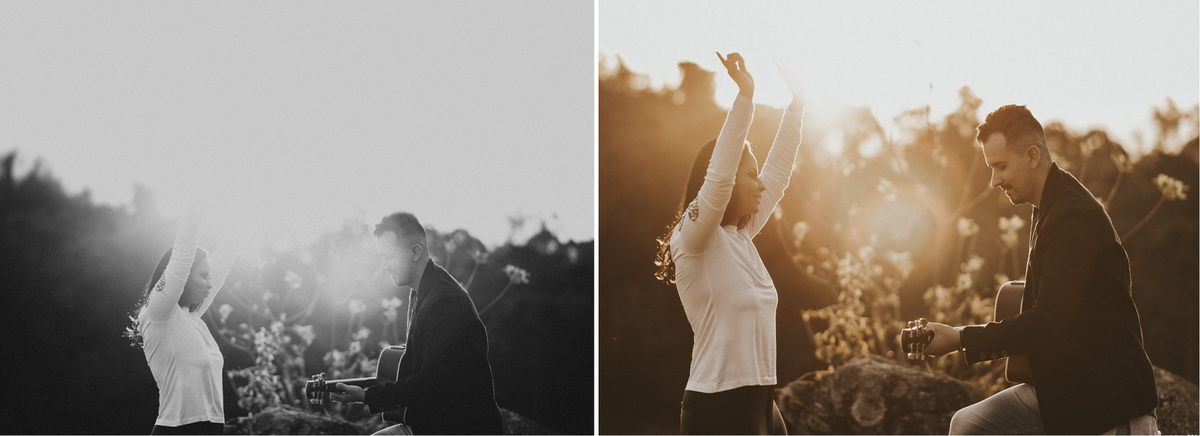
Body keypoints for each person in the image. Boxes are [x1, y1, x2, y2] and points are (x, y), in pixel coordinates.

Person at [922, 105, 1159, 435]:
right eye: (991, 168)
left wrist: (960, 338)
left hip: (1108, 404)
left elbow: (1048, 320)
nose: (994, 180)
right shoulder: (1048, 205)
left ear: (1032, 156)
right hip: (1064, 393)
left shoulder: (1072, 216)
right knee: (968, 425)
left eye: (1001, 166)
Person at [652, 52, 805, 435]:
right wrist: (745, 97)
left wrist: (798, 103)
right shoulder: (694, 238)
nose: (761, 184)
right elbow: (718, 178)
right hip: (718, 408)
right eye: (750, 175)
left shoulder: (740, 237)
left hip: (760, 402)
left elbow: (780, 171)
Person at [330, 212, 503, 435]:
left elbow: (430, 381)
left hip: (462, 428)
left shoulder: (444, 301)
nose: (383, 266)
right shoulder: (422, 291)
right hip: (433, 424)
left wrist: (366, 396)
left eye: (389, 257)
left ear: (415, 251)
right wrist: (367, 389)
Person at [125, 209, 240, 435]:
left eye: (209, 277)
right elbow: (183, 253)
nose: (209, 283)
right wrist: (196, 200)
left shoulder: (191, 319)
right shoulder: (159, 313)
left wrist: (245, 215)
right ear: (184, 275)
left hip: (212, 429)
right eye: (203, 276)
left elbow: (224, 262)